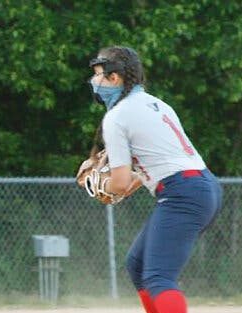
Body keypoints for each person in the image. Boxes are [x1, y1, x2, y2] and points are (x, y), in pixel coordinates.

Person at [87, 46, 223, 313]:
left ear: (114, 78)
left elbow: (121, 183)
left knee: (159, 277)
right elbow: (153, 168)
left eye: (99, 74)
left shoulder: (116, 117)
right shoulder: (156, 104)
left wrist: (98, 185)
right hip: (202, 187)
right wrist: (124, 181)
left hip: (183, 192)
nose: (94, 81)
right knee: (137, 264)